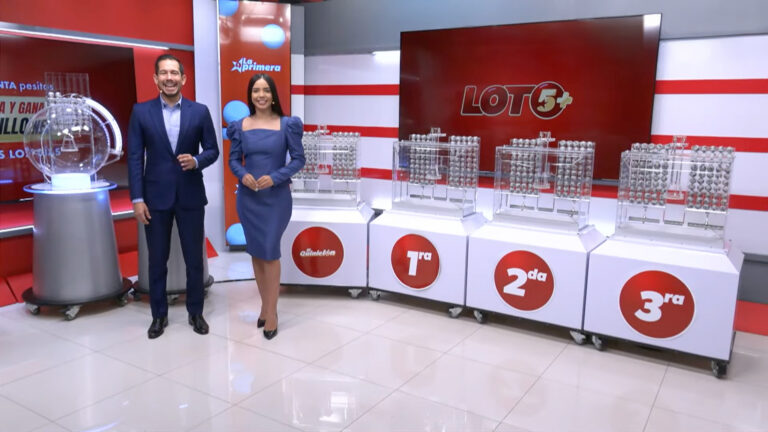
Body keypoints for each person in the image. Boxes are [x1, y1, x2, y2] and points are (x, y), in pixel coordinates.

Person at [127, 54, 220, 339]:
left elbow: (213, 150)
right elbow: (134, 157)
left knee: (195, 260)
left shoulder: (199, 112)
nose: (170, 78)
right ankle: (159, 316)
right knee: (157, 261)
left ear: (183, 78)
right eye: (164, 73)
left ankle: (196, 312)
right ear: (156, 79)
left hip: (191, 196)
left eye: (174, 73)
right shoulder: (141, 112)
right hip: (154, 198)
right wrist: (137, 199)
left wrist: (196, 160)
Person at [227, 73, 305, 340]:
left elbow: (298, 159)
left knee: (270, 252)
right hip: (248, 199)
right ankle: (265, 306)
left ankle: (272, 313)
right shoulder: (239, 126)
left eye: (266, 90)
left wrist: (275, 177)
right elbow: (234, 160)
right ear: (250, 96)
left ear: (273, 95)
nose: (261, 95)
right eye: (256, 90)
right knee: (257, 252)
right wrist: (242, 175)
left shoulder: (287, 124)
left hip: (276, 198)